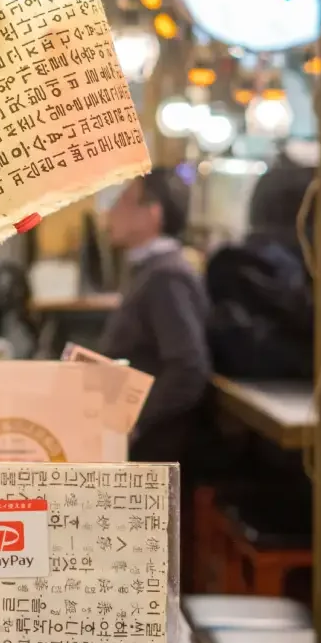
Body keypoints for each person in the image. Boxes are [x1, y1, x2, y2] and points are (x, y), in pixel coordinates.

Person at [100, 167, 210, 465]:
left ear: (152, 214)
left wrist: (134, 420)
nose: (111, 212)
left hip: (152, 450)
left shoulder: (167, 276)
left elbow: (189, 368)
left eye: (124, 202)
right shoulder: (149, 270)